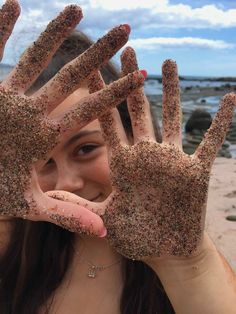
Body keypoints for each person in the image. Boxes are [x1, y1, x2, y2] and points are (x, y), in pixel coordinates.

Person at [0, 1, 235, 314]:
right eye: (42, 163)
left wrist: (183, 264)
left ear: (133, 133)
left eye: (86, 149)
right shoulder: (13, 239)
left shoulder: (184, 252)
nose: (67, 183)